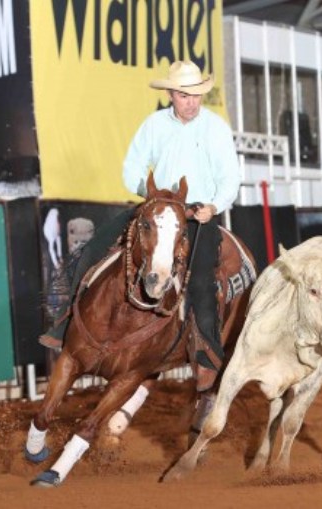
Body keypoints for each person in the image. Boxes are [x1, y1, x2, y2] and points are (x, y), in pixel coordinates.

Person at [40, 60, 241, 391]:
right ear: (171, 94)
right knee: (93, 250)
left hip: (196, 215)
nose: (191, 102)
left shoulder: (215, 128)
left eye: (195, 95)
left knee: (202, 279)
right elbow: (132, 167)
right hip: (155, 210)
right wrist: (150, 195)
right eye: (183, 95)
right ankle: (65, 323)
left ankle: (207, 355)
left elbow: (230, 176)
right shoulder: (154, 125)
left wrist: (214, 206)